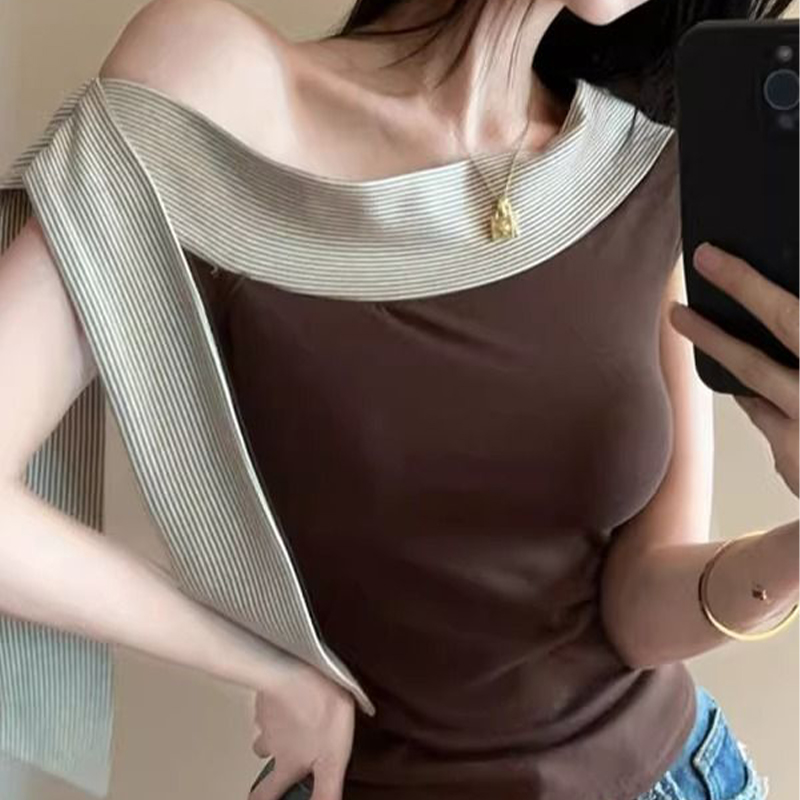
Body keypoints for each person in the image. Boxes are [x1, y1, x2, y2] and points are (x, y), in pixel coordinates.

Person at [0, 1, 797, 799]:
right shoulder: (226, 88)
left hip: (676, 776)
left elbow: (637, 612)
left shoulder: (640, 167)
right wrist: (268, 666)